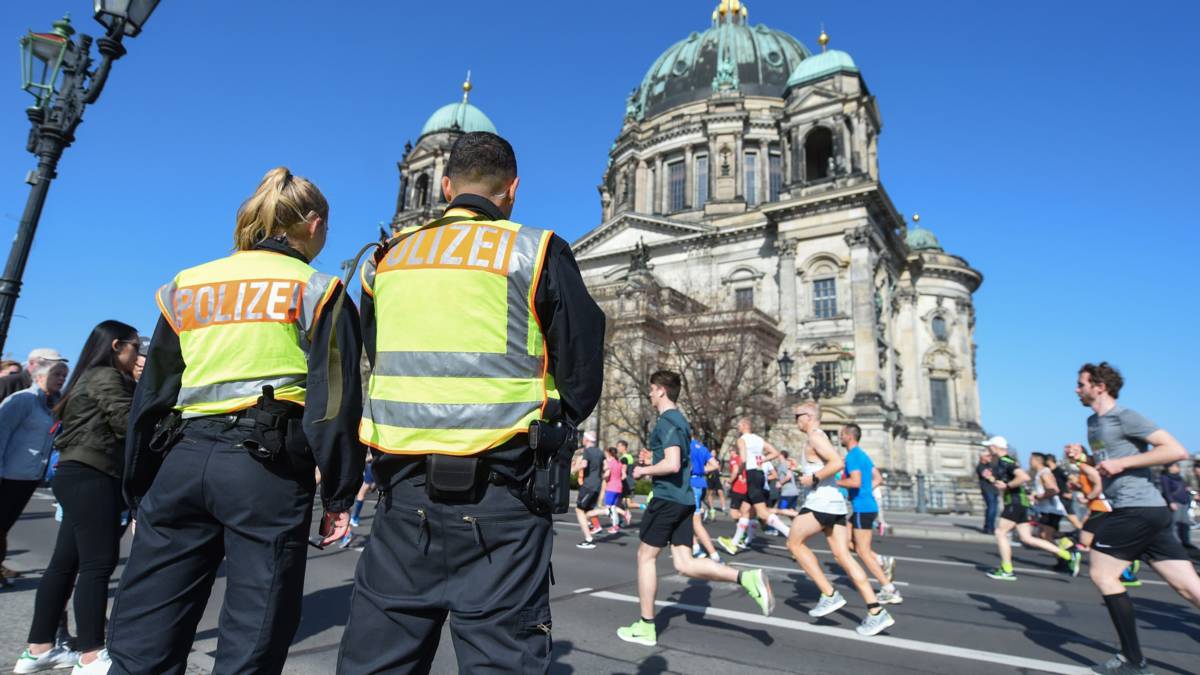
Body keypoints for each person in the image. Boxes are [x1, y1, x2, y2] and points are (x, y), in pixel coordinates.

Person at [338, 131, 605, 674]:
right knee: (503, 660)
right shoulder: (536, 250)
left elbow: (378, 354)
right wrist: (550, 424)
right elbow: (581, 369)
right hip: (504, 496)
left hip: (403, 495)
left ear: (445, 186)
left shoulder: (387, 259)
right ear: (513, 189)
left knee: (377, 661)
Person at [105, 167, 364, 675]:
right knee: (253, 636)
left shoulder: (187, 285)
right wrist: (339, 494)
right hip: (265, 467)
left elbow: (153, 394)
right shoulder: (319, 289)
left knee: (145, 635)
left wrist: (138, 486)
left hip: (181, 459)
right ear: (314, 224)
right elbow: (334, 402)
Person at [15, 322, 138, 674]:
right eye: (134, 346)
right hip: (94, 474)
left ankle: (39, 649)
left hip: (76, 472)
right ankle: (91, 654)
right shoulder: (106, 376)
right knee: (97, 564)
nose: (137, 354)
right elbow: (127, 423)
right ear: (117, 346)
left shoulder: (89, 376)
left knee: (65, 564)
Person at [616, 371, 772, 647]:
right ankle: (745, 577)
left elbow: (673, 464)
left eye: (652, 389)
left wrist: (643, 471)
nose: (649, 394)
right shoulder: (681, 421)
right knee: (684, 563)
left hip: (667, 498)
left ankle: (646, 626)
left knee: (645, 557)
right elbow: (677, 459)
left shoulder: (667, 421)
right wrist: (653, 459)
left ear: (661, 390)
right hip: (685, 498)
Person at [1073, 363, 1200, 674]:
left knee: (1103, 575)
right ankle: (1132, 659)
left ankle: (1133, 660)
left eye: (1082, 384)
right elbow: (1107, 465)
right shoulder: (1093, 422)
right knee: (1189, 588)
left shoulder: (1125, 416)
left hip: (1137, 509)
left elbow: (1176, 450)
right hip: (1145, 510)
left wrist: (1124, 463)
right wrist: (1084, 460)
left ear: (1100, 386)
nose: (1077, 389)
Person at [786, 403, 895, 636]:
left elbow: (836, 463)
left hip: (821, 502)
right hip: (834, 504)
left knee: (794, 544)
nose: (795, 420)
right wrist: (803, 472)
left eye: (797, 416)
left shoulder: (815, 437)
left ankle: (829, 594)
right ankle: (876, 611)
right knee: (843, 556)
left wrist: (813, 478)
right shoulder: (820, 437)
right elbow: (824, 467)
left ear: (808, 416)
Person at [0, 361, 68, 582]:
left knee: (4, 525)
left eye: (64, 375)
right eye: (57, 374)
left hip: (30, 476)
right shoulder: (23, 400)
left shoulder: (54, 403)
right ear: (39, 376)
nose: (61, 379)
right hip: (9, 474)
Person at [981, 437, 1078, 581]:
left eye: (989, 447)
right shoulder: (1005, 462)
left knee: (1000, 532)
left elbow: (1024, 477)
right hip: (1020, 502)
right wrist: (992, 479)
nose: (988, 449)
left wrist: (1007, 486)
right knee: (1027, 538)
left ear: (995, 447)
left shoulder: (1005, 461)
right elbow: (1007, 482)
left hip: (1015, 502)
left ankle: (1007, 570)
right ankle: (1067, 555)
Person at [836, 424, 901, 604]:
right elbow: (878, 478)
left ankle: (889, 589)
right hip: (865, 506)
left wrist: (836, 483)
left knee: (862, 551)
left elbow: (855, 482)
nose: (840, 437)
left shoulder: (852, 456)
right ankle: (881, 560)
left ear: (850, 436)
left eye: (842, 434)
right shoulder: (863, 455)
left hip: (862, 508)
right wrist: (866, 490)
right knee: (846, 542)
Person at [718, 418, 792, 554]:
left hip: (751, 474)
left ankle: (789, 534)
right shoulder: (758, 439)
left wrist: (739, 472)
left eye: (739, 425)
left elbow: (743, 460)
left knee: (762, 513)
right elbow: (775, 452)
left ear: (744, 425)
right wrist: (762, 460)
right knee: (745, 510)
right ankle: (734, 543)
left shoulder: (742, 440)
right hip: (759, 474)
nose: (738, 428)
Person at [687, 435, 721, 561]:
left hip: (691, 484)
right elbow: (715, 465)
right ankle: (696, 548)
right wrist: (702, 469)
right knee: (684, 519)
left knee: (695, 523)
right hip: (701, 484)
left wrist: (695, 469)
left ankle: (713, 554)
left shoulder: (686, 446)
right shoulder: (702, 448)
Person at [573, 430, 607, 547]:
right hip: (597, 485)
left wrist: (572, 470)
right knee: (587, 511)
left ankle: (589, 539)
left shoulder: (587, 451)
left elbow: (584, 464)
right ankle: (589, 537)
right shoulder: (600, 452)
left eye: (583, 438)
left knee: (579, 510)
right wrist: (599, 477)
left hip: (588, 485)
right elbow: (607, 468)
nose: (582, 440)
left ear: (586, 439)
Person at [0, 348, 68, 404]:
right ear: (32, 363)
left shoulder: (55, 394)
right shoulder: (7, 382)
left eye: (57, 364)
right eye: (47, 363)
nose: (53, 367)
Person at [1160, 463, 1192, 548]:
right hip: (1175, 503)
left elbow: (1184, 489)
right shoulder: (1165, 477)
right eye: (1176, 466)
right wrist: (1171, 502)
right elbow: (1166, 491)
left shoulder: (1179, 477)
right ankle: (1176, 544)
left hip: (1184, 502)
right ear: (1169, 468)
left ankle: (1186, 542)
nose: (1178, 468)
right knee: (1175, 524)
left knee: (1185, 524)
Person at [602, 446, 632, 532]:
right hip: (619, 487)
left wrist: (602, 477)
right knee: (613, 507)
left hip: (611, 487)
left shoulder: (610, 463)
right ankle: (615, 525)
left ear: (609, 454)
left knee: (609, 508)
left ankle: (623, 515)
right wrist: (617, 479)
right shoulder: (619, 463)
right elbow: (624, 475)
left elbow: (607, 474)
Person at [976, 448, 999, 534]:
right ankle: (990, 528)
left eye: (990, 455)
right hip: (987, 490)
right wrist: (996, 479)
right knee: (992, 509)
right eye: (988, 456)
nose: (990, 457)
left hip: (994, 490)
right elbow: (990, 478)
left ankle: (987, 527)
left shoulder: (991, 465)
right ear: (982, 457)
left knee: (992, 509)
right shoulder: (981, 466)